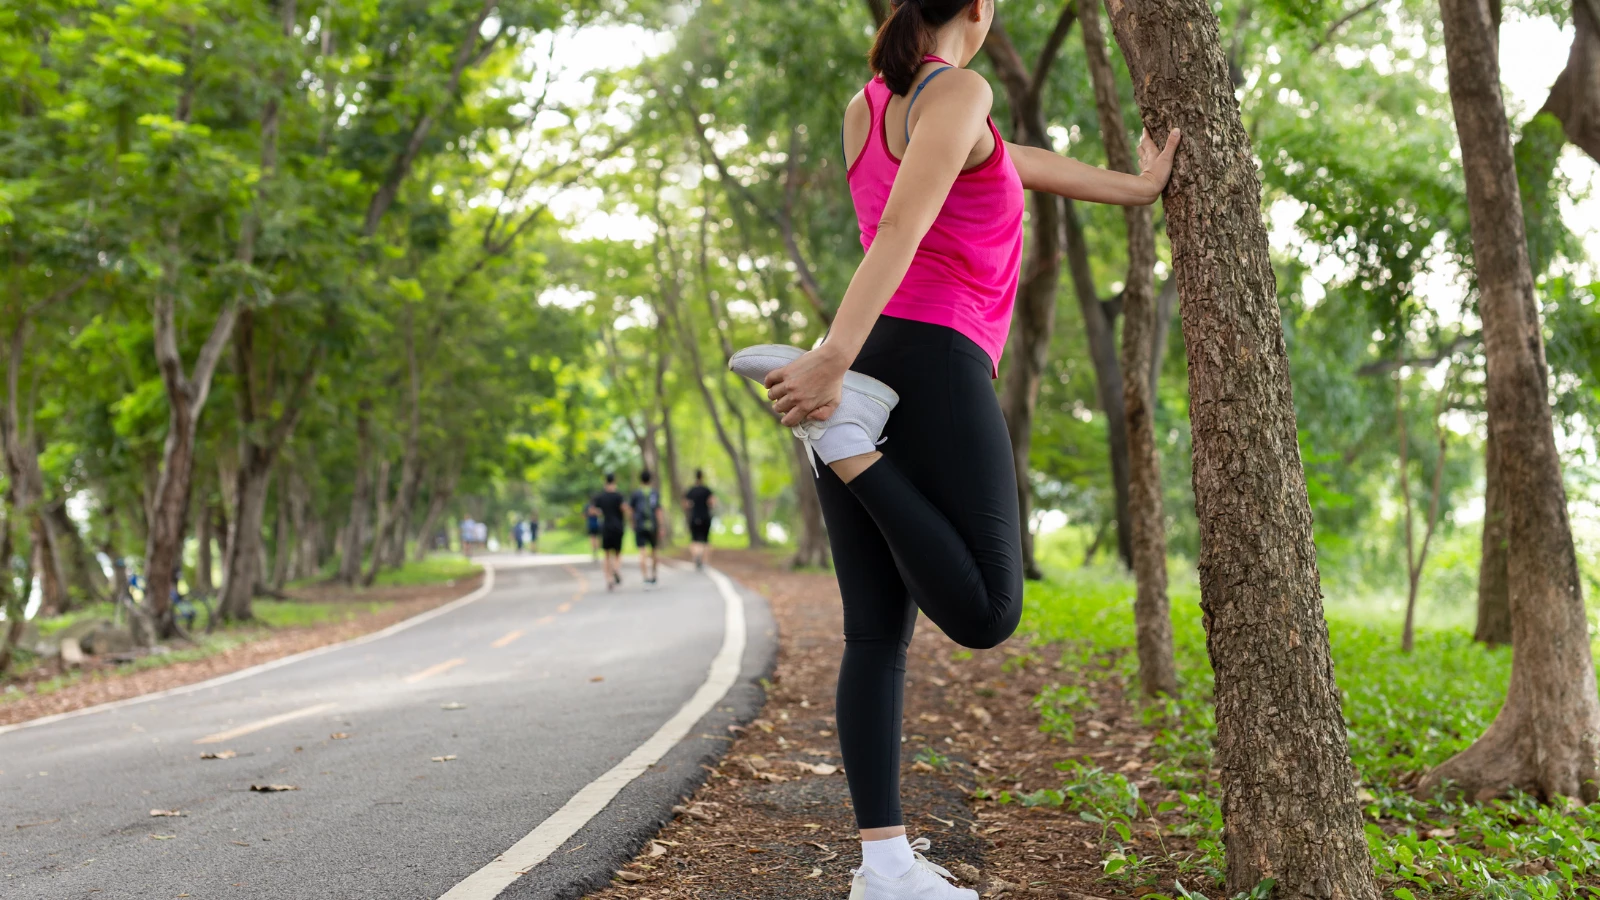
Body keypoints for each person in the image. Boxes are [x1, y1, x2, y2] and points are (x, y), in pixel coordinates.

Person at [728, 3, 1179, 896]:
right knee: (985, 612)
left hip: (870, 361)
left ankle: (884, 867)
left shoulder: (874, 106)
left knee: (875, 636)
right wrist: (829, 366)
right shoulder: (961, 90)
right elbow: (901, 229)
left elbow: (1015, 164)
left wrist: (1134, 188)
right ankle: (847, 442)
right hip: (929, 362)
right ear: (980, 7)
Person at [588, 474, 628, 590]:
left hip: (606, 527)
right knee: (618, 553)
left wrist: (600, 512)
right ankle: (616, 568)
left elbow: (591, 511)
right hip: (618, 527)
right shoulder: (619, 496)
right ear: (614, 482)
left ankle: (609, 579)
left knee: (606, 555)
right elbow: (624, 508)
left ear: (605, 482)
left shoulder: (600, 497)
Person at [629, 470, 663, 585]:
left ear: (641, 480)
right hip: (653, 525)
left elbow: (631, 511)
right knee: (654, 551)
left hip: (640, 525)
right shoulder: (654, 493)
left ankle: (645, 577)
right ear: (650, 480)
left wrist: (632, 523)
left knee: (642, 552)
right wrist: (661, 526)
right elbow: (658, 511)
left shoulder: (636, 494)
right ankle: (654, 575)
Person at [682, 470, 716, 570]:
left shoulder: (691, 490)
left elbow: (685, 504)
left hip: (694, 517)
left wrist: (692, 505)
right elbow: (712, 502)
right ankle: (704, 561)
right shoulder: (707, 490)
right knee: (706, 540)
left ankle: (697, 555)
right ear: (702, 477)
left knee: (694, 540)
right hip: (705, 517)